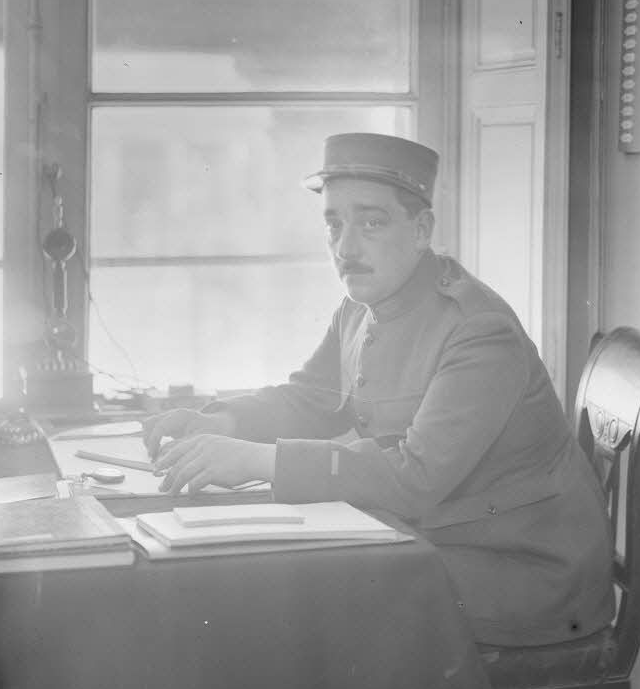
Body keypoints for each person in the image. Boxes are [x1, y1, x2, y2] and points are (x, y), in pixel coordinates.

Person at [145, 132, 614, 647]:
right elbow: (312, 397)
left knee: (295, 594)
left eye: (371, 222)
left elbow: (416, 477)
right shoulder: (360, 304)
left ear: (421, 229)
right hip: (439, 534)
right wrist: (223, 421)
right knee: (269, 581)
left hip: (523, 570)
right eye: (334, 224)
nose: (346, 248)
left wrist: (256, 460)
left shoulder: (478, 329)